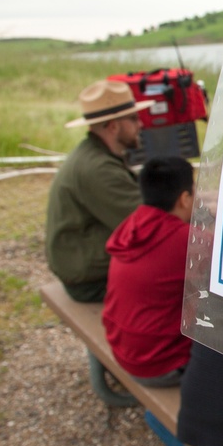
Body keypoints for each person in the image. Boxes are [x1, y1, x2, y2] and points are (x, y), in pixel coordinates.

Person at [46, 79, 153, 302]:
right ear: (113, 126)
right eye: (133, 119)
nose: (141, 124)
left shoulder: (97, 155)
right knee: (184, 281)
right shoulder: (98, 168)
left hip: (83, 265)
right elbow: (149, 223)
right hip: (90, 280)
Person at [102, 156, 195, 386]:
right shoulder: (186, 241)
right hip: (161, 366)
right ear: (184, 199)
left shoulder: (132, 224)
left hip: (122, 348)